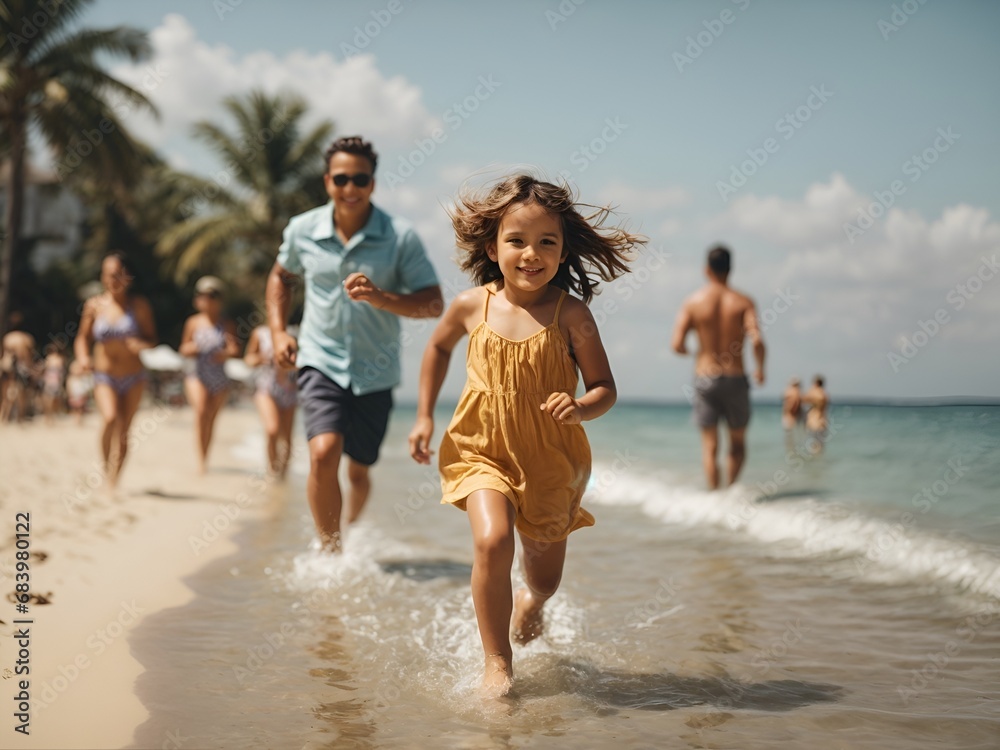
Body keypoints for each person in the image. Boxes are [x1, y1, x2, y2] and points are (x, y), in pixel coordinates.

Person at [408, 174, 642, 696]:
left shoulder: (572, 314)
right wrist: (424, 414)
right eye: (516, 241)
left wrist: (581, 407)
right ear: (493, 247)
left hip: (551, 459)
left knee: (544, 578)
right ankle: (498, 663)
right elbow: (438, 348)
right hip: (481, 449)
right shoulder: (472, 306)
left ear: (562, 252)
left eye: (546, 243)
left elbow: (605, 387)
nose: (530, 254)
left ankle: (530, 601)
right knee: (491, 541)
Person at [266, 135, 443, 552]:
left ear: (373, 184)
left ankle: (350, 523)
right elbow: (281, 277)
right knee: (324, 453)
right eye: (341, 179)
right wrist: (277, 331)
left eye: (359, 179)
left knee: (359, 472)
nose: (350, 189)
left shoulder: (400, 237)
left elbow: (433, 303)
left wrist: (382, 298)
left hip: (375, 372)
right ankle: (331, 551)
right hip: (319, 360)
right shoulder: (302, 230)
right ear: (327, 181)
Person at [672, 245, 765, 490]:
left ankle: (714, 497)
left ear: (706, 270)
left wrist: (695, 353)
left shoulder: (693, 302)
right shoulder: (743, 302)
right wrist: (761, 369)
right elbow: (757, 339)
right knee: (737, 444)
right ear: (731, 269)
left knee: (710, 446)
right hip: (735, 376)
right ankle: (729, 493)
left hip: (705, 377)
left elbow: (677, 344)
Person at [74, 253, 157, 489]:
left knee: (124, 430)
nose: (112, 279)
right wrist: (82, 358)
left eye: (117, 274)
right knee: (110, 419)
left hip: (134, 376)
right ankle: (105, 466)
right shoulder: (94, 305)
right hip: (104, 375)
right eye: (107, 274)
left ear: (127, 277)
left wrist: (141, 344)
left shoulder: (139, 306)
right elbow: (82, 338)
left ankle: (114, 479)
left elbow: (152, 339)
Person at [180, 276, 241, 474]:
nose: (208, 300)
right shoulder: (193, 323)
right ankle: (200, 461)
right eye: (204, 295)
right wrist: (196, 347)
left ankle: (205, 456)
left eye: (213, 296)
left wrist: (223, 353)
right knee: (201, 411)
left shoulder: (226, 324)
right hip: (197, 374)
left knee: (211, 419)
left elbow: (234, 349)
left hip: (219, 377)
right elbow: (183, 348)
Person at [245, 323, 298, 478]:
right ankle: (272, 473)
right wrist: (262, 358)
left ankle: (283, 476)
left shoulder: (294, 332)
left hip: (289, 388)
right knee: (272, 430)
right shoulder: (260, 333)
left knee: (286, 438)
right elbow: (248, 359)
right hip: (265, 387)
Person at [1, 312, 38, 423]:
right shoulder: (27, 338)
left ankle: (4, 417)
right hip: (23, 367)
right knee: (22, 392)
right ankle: (20, 418)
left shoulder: (8, 338)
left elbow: (4, 355)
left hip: (8, 367)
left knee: (6, 393)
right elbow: (29, 357)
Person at [41, 343, 68, 423]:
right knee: (48, 399)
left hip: (56, 381)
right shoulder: (49, 359)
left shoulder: (59, 359)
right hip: (50, 380)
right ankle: (48, 416)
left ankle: (52, 416)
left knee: (54, 399)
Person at [804, 375, 830, 454]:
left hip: (815, 422)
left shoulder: (815, 392)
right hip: (822, 421)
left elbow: (803, 399)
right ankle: (818, 464)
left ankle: (815, 464)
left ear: (815, 384)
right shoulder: (825, 394)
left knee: (813, 446)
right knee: (820, 446)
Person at [66, 358, 93, 425]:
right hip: (74, 396)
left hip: (81, 395)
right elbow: (69, 386)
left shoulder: (83, 377)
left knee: (81, 408)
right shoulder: (71, 378)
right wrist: (69, 394)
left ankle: (79, 420)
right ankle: (76, 419)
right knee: (75, 409)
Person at [781, 376, 804, 443]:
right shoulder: (796, 391)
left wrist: (791, 411)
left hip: (790, 417)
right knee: (793, 438)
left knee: (790, 438)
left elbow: (794, 403)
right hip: (792, 416)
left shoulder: (792, 391)